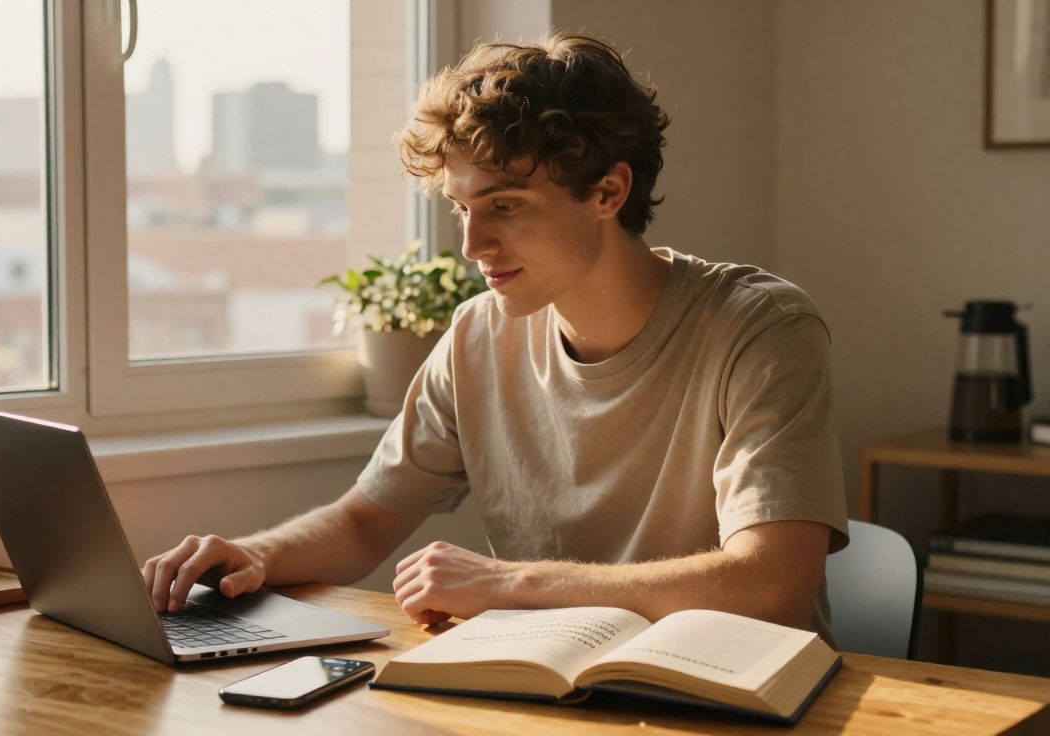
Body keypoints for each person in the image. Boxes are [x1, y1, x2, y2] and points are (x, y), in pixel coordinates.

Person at [142, 30, 848, 640]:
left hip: (736, 699)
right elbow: (363, 523)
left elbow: (772, 585)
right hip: (551, 692)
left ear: (608, 192)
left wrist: (508, 583)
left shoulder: (760, 329)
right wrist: (255, 556)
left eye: (505, 205)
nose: (474, 243)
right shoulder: (479, 335)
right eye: (460, 209)